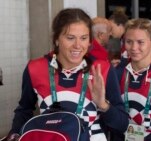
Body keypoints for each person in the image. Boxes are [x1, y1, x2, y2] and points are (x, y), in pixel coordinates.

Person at [6, 8, 128, 141]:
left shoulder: (102, 69)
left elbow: (122, 124)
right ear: (57, 39)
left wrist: (103, 105)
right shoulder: (35, 68)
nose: (77, 45)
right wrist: (14, 133)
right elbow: (24, 109)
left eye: (83, 38)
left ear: (90, 41)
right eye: (70, 38)